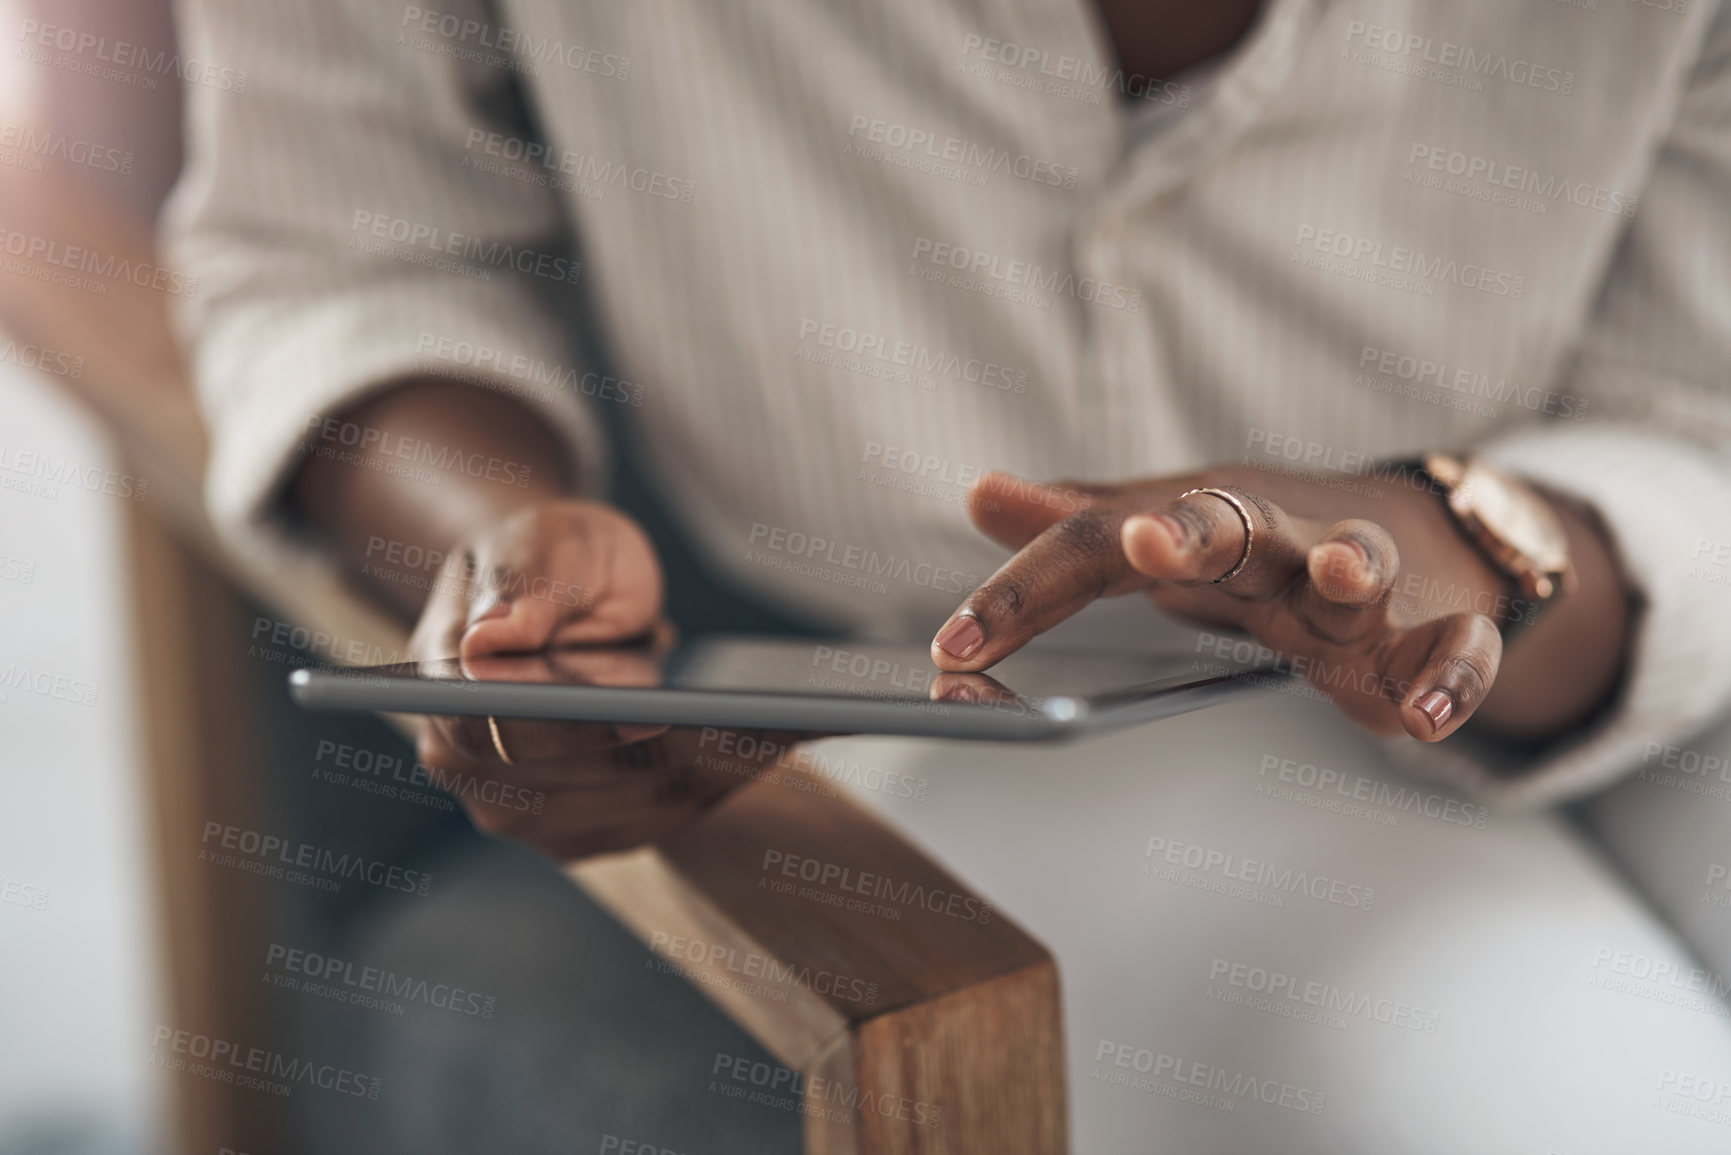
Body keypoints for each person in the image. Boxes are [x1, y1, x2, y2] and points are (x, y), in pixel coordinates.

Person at [165, 0, 1731, 1150]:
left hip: (1637, 615)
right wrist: (502, 556)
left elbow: (1701, 409)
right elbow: (342, 249)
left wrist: (1471, 539)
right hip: (973, 693)